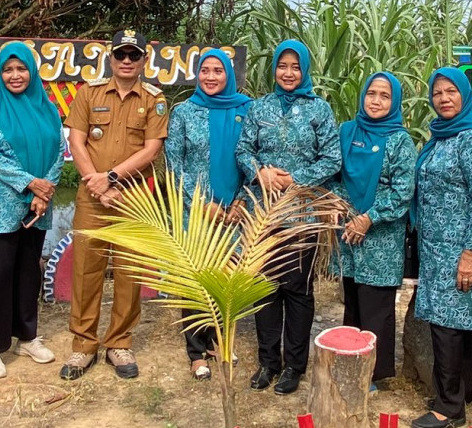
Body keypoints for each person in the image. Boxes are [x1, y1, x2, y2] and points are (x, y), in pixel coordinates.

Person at [235, 39, 341, 396]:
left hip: (302, 213)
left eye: (296, 67)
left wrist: (295, 180)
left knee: (297, 289)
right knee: (264, 288)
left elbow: (331, 158)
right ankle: (268, 362)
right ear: (275, 69)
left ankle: (294, 365)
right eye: (283, 66)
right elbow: (243, 148)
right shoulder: (258, 107)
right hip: (264, 212)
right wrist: (260, 172)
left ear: (305, 70)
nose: (289, 73)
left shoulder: (319, 109)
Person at [61, 29, 168, 380]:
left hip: (133, 199)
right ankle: (83, 346)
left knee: (128, 273)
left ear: (143, 60)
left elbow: (151, 149)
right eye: (120, 54)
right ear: (111, 58)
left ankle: (119, 342)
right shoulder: (88, 94)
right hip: (93, 199)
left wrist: (111, 178)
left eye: (133, 55)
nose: (126, 61)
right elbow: (76, 143)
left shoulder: (154, 100)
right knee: (86, 272)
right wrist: (98, 184)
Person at [410, 68, 472, 428]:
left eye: (452, 91)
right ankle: (464, 390)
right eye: (437, 93)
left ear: (466, 95)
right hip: (438, 248)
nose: (444, 98)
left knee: (448, 327)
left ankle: (448, 408)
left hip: (461, 249)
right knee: (454, 324)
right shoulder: (443, 136)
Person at [0, 43, 64, 380]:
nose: (15, 75)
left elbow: (58, 151)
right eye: (8, 70)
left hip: (37, 209)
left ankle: (26, 337)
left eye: (21, 69)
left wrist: (46, 189)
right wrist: (30, 184)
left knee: (27, 274)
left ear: (31, 71)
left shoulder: (49, 109)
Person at [164, 48, 251, 380]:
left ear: (228, 75)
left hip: (235, 210)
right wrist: (200, 203)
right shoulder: (185, 112)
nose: (211, 76)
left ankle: (221, 341)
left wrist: (242, 199)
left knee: (228, 277)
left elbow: (252, 157)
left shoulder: (247, 109)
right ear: (197, 74)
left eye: (218, 71)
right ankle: (196, 351)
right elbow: (175, 164)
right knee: (197, 280)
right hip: (196, 211)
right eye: (205, 70)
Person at [334, 72, 416, 386]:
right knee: (352, 301)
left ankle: (372, 372)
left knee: (376, 305)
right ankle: (348, 361)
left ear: (394, 101)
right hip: (347, 231)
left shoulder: (399, 140)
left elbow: (402, 191)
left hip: (380, 236)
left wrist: (368, 218)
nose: (376, 101)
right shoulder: (347, 132)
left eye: (384, 96)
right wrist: (347, 212)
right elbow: (335, 176)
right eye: (371, 93)